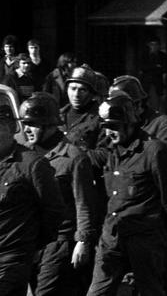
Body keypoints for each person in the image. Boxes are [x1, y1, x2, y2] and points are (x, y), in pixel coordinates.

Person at [88, 92, 167, 295]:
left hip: (144, 240)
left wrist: (161, 236)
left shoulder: (154, 151)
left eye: (113, 127)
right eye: (106, 128)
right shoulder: (111, 152)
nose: (108, 134)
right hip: (112, 236)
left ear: (129, 123)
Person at [21, 92, 97, 296]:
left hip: (59, 241)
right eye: (25, 123)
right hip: (30, 240)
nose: (27, 129)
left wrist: (83, 241)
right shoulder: (24, 156)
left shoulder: (73, 158)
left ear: (50, 125)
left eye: (33, 124)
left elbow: (84, 202)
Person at [0, 100, 64, 293]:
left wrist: (33, 246)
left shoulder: (32, 164)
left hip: (13, 258)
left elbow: (54, 210)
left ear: (12, 127)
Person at [62, 67, 102, 150]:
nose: (76, 94)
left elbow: (103, 154)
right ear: (67, 89)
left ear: (91, 93)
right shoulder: (58, 115)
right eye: (73, 89)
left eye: (82, 90)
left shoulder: (99, 119)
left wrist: (76, 156)